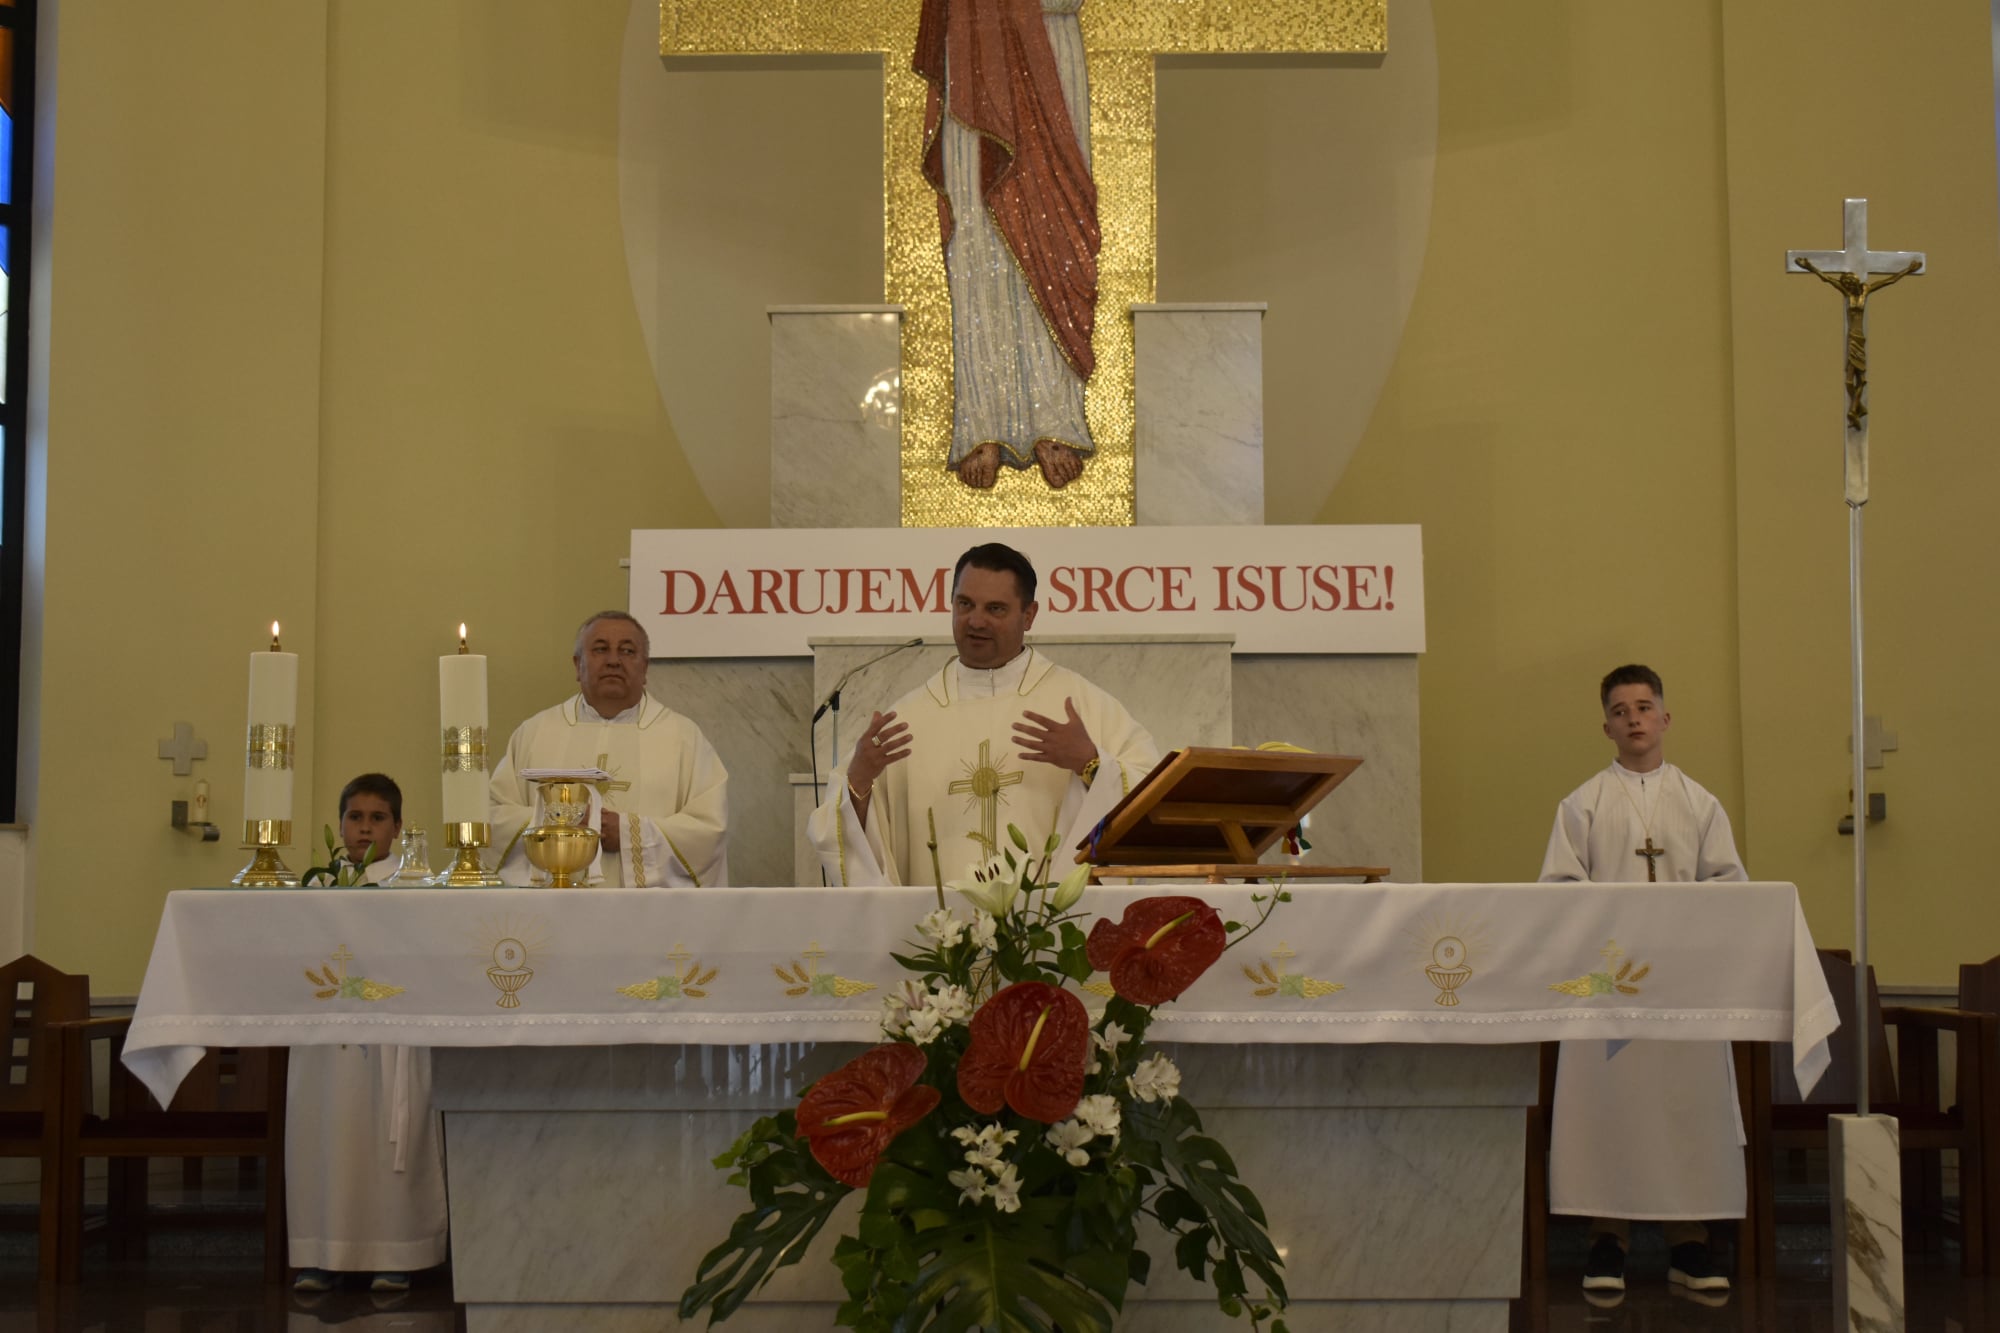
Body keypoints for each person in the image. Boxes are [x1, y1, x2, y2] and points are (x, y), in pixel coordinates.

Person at [1539, 665, 1744, 1303]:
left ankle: (1689, 1242)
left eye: (1644, 706)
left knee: (1686, 1111)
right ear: (1606, 726)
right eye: (1621, 710)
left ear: (1665, 718)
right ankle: (1608, 1238)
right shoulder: (1582, 804)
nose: (1634, 718)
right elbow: (1559, 890)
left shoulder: (1700, 804)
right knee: (1611, 1111)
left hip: (1683, 988)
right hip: (1608, 987)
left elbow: (1729, 886)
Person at [809, 542, 1158, 886]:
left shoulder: (1079, 705)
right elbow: (846, 840)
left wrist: (1091, 763)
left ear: (1029, 615)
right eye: (965, 604)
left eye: (995, 609)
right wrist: (859, 780)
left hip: (1049, 921)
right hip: (937, 923)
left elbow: (1152, 796)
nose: (976, 621)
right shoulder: (908, 719)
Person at [916, 0, 1098, 491]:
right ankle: (981, 419)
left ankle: (1055, 414)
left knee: (1051, 229)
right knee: (976, 234)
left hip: (1044, 46)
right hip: (968, 41)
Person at [288, 774, 449, 1296]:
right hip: (326, 1040)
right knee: (325, 1139)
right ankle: (321, 1252)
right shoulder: (319, 886)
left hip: (394, 1037)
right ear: (339, 826)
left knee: (387, 1145)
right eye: (355, 818)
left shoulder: (416, 883)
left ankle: (396, 1251)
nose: (364, 829)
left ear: (398, 827)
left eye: (377, 818)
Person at [489, 611, 729, 887]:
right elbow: (494, 817)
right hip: (553, 904)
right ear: (578, 664)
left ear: (645, 668)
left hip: (648, 909)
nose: (614, 660)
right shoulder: (535, 733)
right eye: (601, 649)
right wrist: (559, 825)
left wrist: (628, 834)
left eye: (627, 651)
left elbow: (709, 830)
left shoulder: (683, 738)